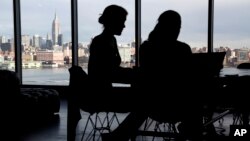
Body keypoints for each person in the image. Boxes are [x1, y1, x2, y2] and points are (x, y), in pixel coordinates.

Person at [102, 10, 204, 141]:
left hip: (152, 102)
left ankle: (119, 135)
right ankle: (192, 130)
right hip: (179, 104)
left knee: (145, 102)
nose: (178, 30)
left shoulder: (146, 47)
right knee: (196, 99)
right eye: (178, 27)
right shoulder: (183, 49)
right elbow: (189, 77)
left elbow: (149, 77)